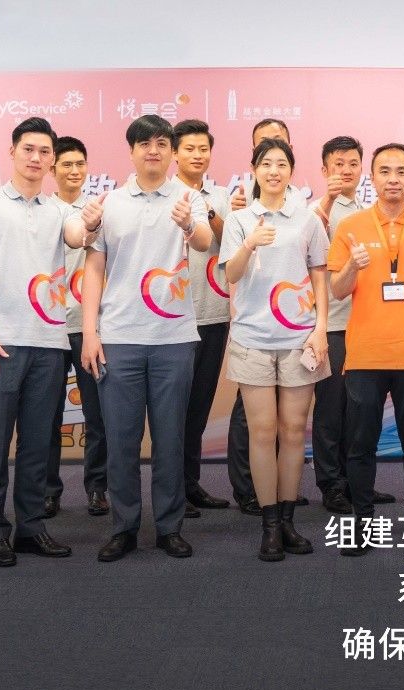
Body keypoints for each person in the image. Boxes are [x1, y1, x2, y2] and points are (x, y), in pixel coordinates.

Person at [72, 114, 213, 562]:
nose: (153, 150)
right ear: (131, 151)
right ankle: (124, 527)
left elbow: (204, 242)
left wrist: (188, 224)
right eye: (144, 143)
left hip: (174, 337)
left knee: (170, 439)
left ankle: (170, 527)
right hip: (118, 336)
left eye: (161, 143)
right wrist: (90, 332)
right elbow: (93, 268)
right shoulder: (109, 202)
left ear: (171, 152)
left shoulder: (188, 197)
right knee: (122, 440)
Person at [0, 116, 75, 567]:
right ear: (12, 152)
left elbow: (78, 235)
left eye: (45, 152)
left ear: (52, 160)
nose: (36, 158)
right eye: (29, 149)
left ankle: (31, 528)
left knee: (38, 443)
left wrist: (91, 221)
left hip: (49, 342)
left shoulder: (60, 209)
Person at [330, 143, 404, 557]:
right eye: (385, 171)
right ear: (373, 178)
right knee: (360, 445)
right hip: (365, 354)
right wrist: (353, 266)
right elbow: (338, 290)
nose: (393, 179)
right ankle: (362, 524)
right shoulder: (351, 226)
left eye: (401, 171)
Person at [219, 138, 330, 560]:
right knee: (262, 432)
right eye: (266, 164)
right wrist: (249, 244)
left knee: (293, 431)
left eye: (282, 164)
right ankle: (268, 525)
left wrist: (320, 328)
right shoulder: (240, 219)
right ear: (254, 169)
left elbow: (319, 274)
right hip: (252, 338)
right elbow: (231, 274)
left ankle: (287, 522)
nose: (274, 171)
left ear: (291, 172)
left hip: (299, 338)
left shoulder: (307, 220)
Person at [311, 136, 396, 515]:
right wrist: (327, 202)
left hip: (368, 323)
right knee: (331, 410)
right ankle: (331, 485)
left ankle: (358, 482)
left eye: (352, 164)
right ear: (324, 169)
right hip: (332, 326)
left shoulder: (369, 211)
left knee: (362, 411)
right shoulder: (315, 211)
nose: (346, 171)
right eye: (338, 164)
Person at [41, 136, 110, 518]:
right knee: (47, 415)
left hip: (89, 326)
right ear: (53, 169)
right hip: (48, 326)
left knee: (97, 414)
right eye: (66, 164)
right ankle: (48, 490)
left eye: (80, 164)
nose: (73, 170)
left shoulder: (99, 210)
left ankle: (97, 487)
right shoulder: (42, 209)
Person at [172, 119, 233, 516]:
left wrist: (208, 212)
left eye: (203, 149)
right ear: (174, 153)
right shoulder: (164, 195)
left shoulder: (222, 197)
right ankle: (172, 488)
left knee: (198, 407)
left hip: (212, 313)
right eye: (189, 148)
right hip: (172, 317)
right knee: (173, 408)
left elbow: (232, 243)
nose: (197, 155)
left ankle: (189, 483)